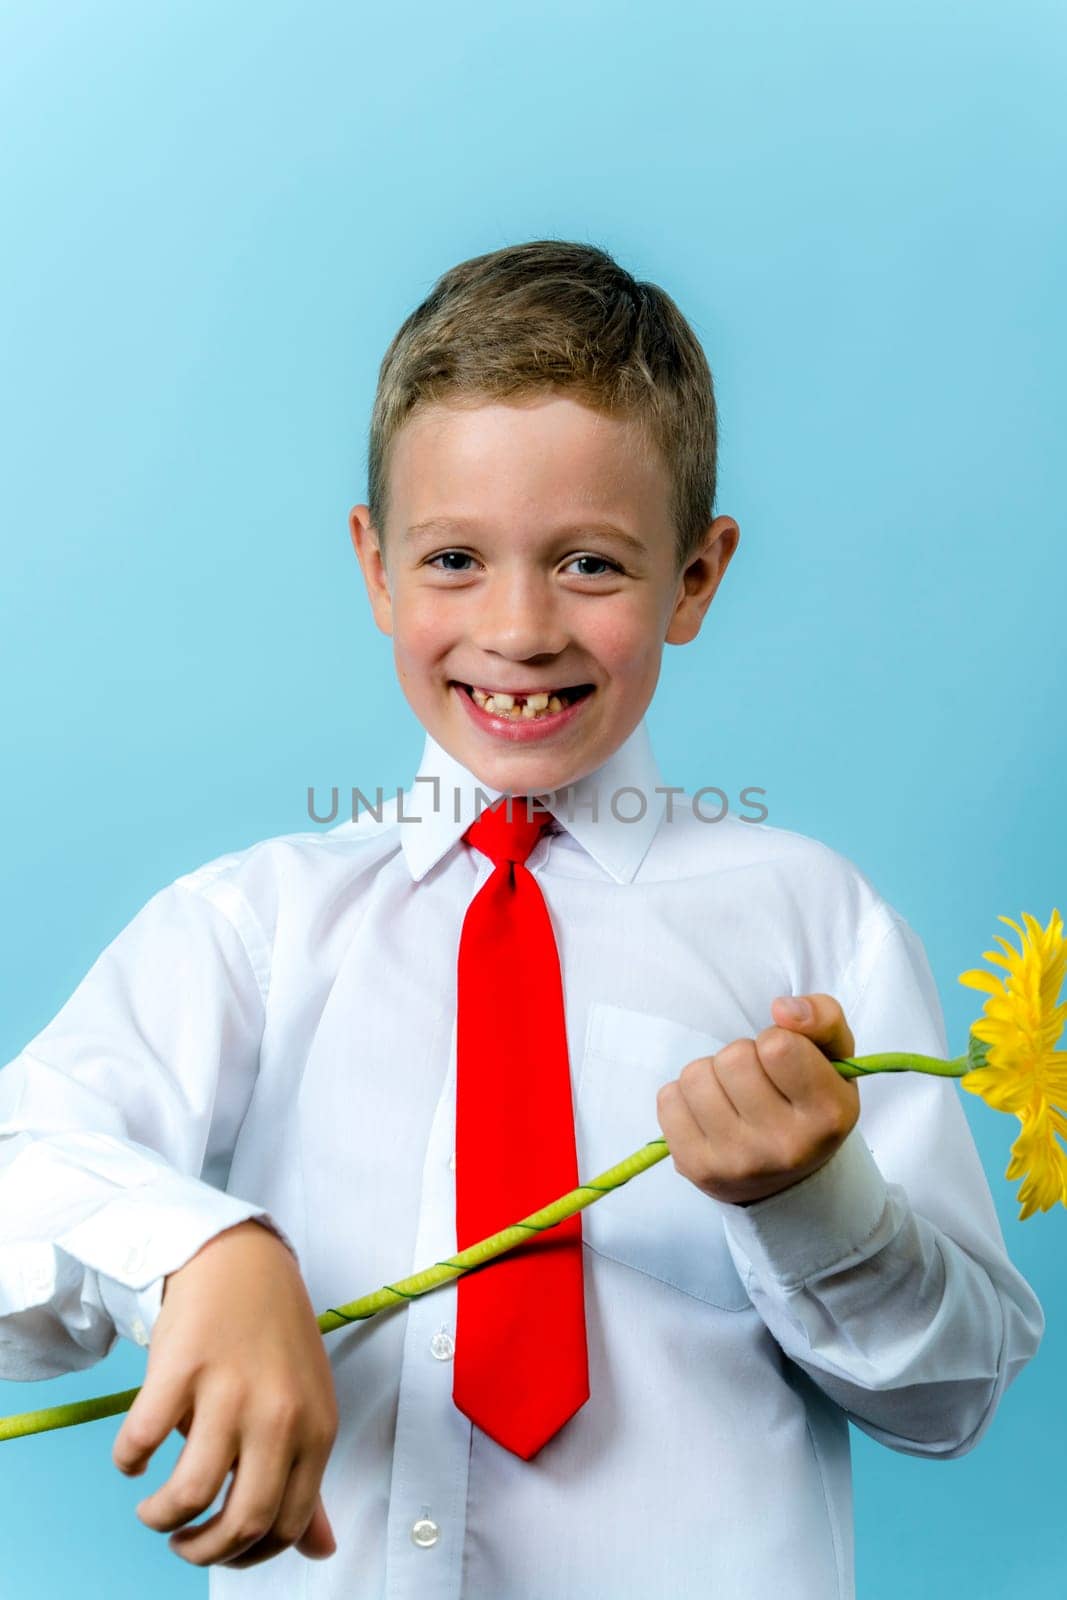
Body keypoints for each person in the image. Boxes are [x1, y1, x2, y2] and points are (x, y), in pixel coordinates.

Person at [0, 239, 1043, 1599]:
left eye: (593, 566)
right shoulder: (249, 931)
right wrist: (198, 1251)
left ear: (696, 579)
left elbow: (954, 1400)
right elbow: (26, 1171)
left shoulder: (810, 924)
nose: (520, 627)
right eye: (453, 558)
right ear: (374, 568)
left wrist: (813, 1201)